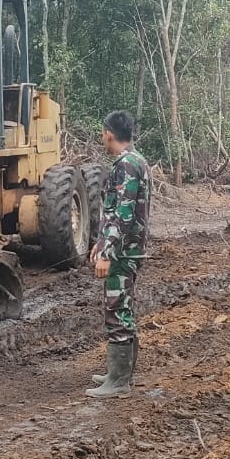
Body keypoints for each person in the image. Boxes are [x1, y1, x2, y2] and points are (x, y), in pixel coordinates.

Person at [87, 110, 151, 399]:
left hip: (123, 252)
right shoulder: (138, 161)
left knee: (116, 310)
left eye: (103, 133)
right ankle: (119, 373)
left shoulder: (125, 166)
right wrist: (100, 243)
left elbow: (122, 215)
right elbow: (115, 214)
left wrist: (107, 253)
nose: (102, 138)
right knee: (123, 308)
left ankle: (119, 382)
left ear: (109, 133)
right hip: (128, 249)